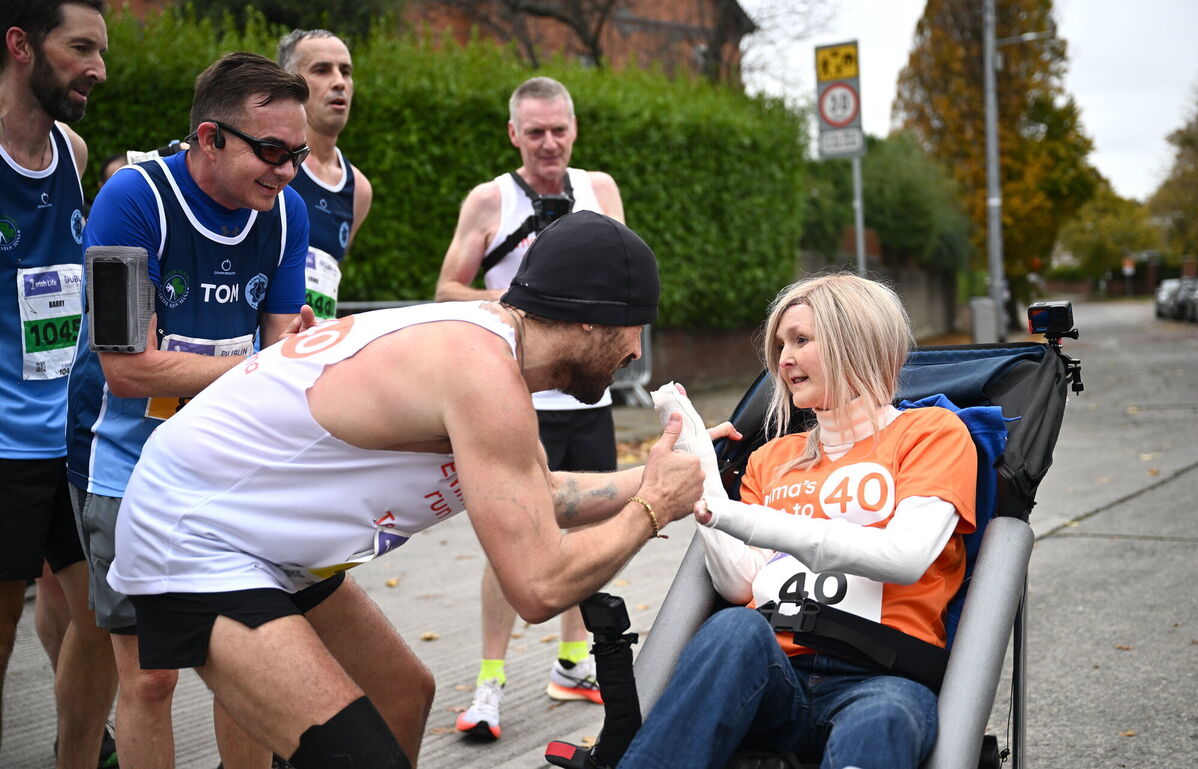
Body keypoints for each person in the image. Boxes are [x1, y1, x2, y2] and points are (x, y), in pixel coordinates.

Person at [104, 211, 710, 769]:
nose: (636, 350)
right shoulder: (483, 375)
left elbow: (538, 491)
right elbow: (538, 585)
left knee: (403, 695)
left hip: (260, 540)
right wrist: (653, 507)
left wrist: (665, 473)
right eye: (635, 325)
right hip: (192, 537)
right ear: (589, 315)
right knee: (363, 757)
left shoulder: (489, 350)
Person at [619, 273, 978, 769]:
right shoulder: (772, 458)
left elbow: (905, 557)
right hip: (774, 670)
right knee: (730, 630)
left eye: (802, 341)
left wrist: (738, 517)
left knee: (884, 720)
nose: (783, 360)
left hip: (880, 677)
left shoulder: (932, 433)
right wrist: (700, 463)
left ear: (857, 341)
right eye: (781, 344)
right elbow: (739, 581)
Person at [65, 51, 312, 768]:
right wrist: (262, 369)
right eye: (271, 151)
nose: (288, 171)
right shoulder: (131, 200)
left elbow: (281, 362)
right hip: (122, 461)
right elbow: (128, 368)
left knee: (247, 671)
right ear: (209, 138)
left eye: (296, 154)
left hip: (227, 466)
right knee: (149, 678)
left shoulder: (286, 212)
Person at [435, 75, 625, 739]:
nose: (549, 143)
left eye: (559, 130)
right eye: (535, 132)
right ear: (514, 134)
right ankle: (489, 680)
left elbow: (621, 278)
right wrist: (519, 307)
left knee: (589, 535)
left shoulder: (599, 190)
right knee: (510, 533)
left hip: (588, 393)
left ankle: (574, 663)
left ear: (574, 131)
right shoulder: (492, 198)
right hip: (516, 397)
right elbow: (445, 287)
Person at [0, 2, 118, 766]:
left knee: (106, 617)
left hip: (75, 437)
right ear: (19, 46)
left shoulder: (72, 152)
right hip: (4, 446)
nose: (98, 70)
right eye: (80, 48)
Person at [277, 28, 372, 320]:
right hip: (258, 351)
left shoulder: (359, 189)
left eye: (346, 71)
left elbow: (328, 276)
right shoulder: (266, 164)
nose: (339, 82)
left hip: (314, 350)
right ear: (289, 83)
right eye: (322, 70)